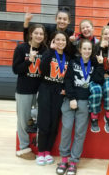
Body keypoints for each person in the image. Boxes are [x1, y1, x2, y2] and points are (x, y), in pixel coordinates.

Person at [56, 39, 104, 175]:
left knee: (79, 132)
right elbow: (68, 81)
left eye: (89, 49)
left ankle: (73, 162)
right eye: (85, 49)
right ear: (80, 50)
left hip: (84, 101)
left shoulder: (94, 63)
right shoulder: (73, 63)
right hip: (71, 100)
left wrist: (100, 65)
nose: (87, 51)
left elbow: (99, 80)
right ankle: (64, 159)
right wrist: (71, 98)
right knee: (66, 129)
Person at [13, 22, 47, 160]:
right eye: (36, 33)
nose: (39, 36)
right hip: (24, 90)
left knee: (39, 114)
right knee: (22, 120)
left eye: (41, 34)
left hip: (40, 89)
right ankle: (23, 148)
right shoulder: (21, 48)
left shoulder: (45, 50)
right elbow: (16, 70)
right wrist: (29, 60)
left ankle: (33, 127)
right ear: (31, 34)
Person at [36, 31, 70, 166]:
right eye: (58, 40)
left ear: (66, 42)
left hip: (59, 92)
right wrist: (51, 51)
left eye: (63, 40)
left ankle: (48, 151)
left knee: (54, 123)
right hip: (45, 88)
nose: (60, 42)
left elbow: (68, 76)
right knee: (44, 121)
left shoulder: (68, 57)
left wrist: (65, 88)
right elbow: (42, 69)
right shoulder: (48, 53)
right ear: (54, 41)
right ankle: (41, 151)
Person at [89, 26, 109, 133]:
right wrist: (101, 48)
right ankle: (94, 118)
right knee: (96, 92)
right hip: (96, 77)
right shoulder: (95, 46)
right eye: (105, 34)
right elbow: (91, 63)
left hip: (108, 77)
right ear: (101, 35)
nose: (108, 36)